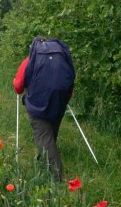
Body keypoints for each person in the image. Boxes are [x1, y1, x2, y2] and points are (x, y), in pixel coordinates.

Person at [13, 37, 75, 182]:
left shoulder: (29, 61)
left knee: (45, 138)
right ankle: (42, 158)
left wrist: (15, 83)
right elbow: (69, 80)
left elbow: (18, 87)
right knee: (51, 133)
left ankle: (57, 178)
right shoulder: (61, 59)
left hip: (37, 105)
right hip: (59, 102)